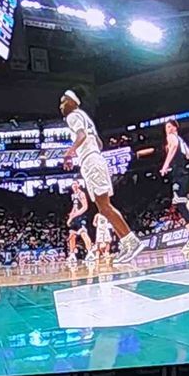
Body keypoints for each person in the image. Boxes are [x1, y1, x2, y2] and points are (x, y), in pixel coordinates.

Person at [61, 89, 142, 265]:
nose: (61, 105)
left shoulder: (73, 116)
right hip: (96, 159)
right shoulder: (86, 118)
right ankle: (127, 243)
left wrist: (69, 153)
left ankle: (131, 241)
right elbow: (98, 142)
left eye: (64, 100)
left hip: (91, 162)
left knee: (104, 206)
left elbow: (81, 136)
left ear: (73, 102)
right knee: (104, 207)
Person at [159, 117, 189, 250]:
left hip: (178, 174)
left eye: (169, 127)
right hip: (185, 175)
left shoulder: (172, 138)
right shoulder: (183, 141)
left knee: (179, 202)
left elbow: (173, 148)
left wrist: (165, 165)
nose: (167, 130)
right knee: (184, 204)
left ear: (174, 128)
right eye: (166, 128)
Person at [64, 179, 93, 267]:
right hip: (75, 217)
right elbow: (74, 207)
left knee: (83, 234)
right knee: (72, 235)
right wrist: (70, 218)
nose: (74, 186)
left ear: (78, 185)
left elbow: (85, 207)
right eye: (72, 184)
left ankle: (90, 252)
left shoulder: (81, 194)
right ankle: (72, 254)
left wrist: (76, 214)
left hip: (81, 217)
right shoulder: (73, 195)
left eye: (75, 184)